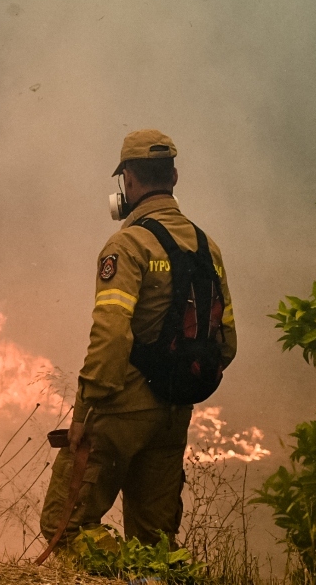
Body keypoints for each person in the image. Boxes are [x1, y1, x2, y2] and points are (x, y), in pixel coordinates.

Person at [39, 128, 237, 550]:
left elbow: (111, 336)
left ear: (128, 180)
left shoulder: (127, 245)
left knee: (66, 526)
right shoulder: (208, 247)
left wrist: (85, 411)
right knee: (154, 544)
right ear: (175, 177)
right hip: (174, 413)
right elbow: (228, 341)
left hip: (121, 409)